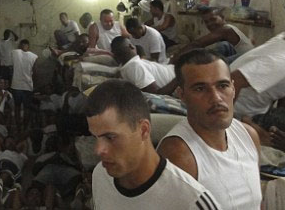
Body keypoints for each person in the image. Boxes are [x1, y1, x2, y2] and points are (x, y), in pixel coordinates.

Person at [86, 80, 220, 209]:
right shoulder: (101, 175)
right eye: (95, 137)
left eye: (110, 137)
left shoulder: (192, 202)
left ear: (143, 130)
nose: (98, 150)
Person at [157, 49, 261, 210]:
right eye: (200, 89)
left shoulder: (248, 135)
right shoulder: (180, 154)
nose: (216, 98)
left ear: (233, 89)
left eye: (222, 86)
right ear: (182, 95)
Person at [173, 7, 253, 64]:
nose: (210, 24)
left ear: (223, 18)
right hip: (244, 57)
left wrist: (175, 58)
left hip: (249, 62)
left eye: (213, 19)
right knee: (219, 48)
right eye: (206, 22)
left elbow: (197, 43)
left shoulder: (226, 30)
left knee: (209, 64)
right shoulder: (224, 31)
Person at [111, 36, 176, 94]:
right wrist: (178, 78)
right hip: (176, 76)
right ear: (131, 46)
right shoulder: (134, 66)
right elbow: (156, 92)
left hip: (174, 69)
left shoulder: (126, 66)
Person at [11, 39, 38, 129]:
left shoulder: (15, 52)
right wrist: (34, 85)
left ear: (20, 45)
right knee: (27, 108)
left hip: (16, 85)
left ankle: (18, 127)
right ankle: (25, 127)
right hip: (28, 86)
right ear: (28, 46)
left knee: (17, 107)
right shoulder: (34, 56)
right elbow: (35, 72)